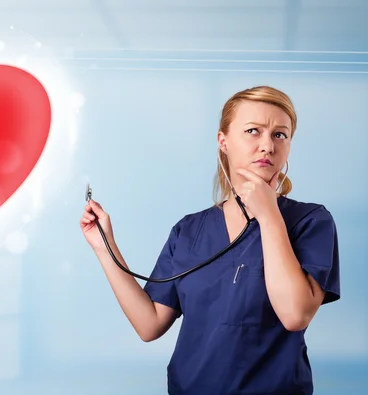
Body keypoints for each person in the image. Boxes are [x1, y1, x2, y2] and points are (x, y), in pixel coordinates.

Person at [80, 86, 341, 395]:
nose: (267, 146)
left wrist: (269, 214)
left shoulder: (311, 222)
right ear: (223, 141)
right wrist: (103, 246)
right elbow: (149, 324)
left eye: (280, 135)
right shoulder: (189, 230)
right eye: (252, 131)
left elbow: (295, 314)